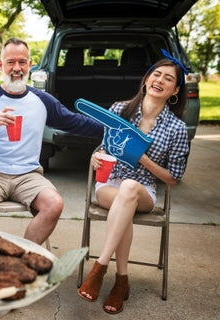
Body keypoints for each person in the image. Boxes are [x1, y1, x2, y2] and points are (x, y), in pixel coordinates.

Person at [0, 38, 104, 245]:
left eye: (22, 62)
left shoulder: (42, 100)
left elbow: (75, 122)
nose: (17, 68)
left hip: (28, 174)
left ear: (30, 64)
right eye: (11, 62)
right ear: (1, 65)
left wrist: (110, 130)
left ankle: (23, 257)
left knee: (54, 204)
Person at [77, 53, 190, 314]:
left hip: (144, 192)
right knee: (123, 196)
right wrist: (96, 156)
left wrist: (141, 157)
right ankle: (121, 281)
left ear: (175, 90)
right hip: (109, 184)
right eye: (156, 74)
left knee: (128, 189)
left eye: (168, 78)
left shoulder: (176, 129)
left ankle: (99, 267)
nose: (160, 80)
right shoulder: (120, 109)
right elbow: (105, 148)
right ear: (147, 79)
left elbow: (173, 177)